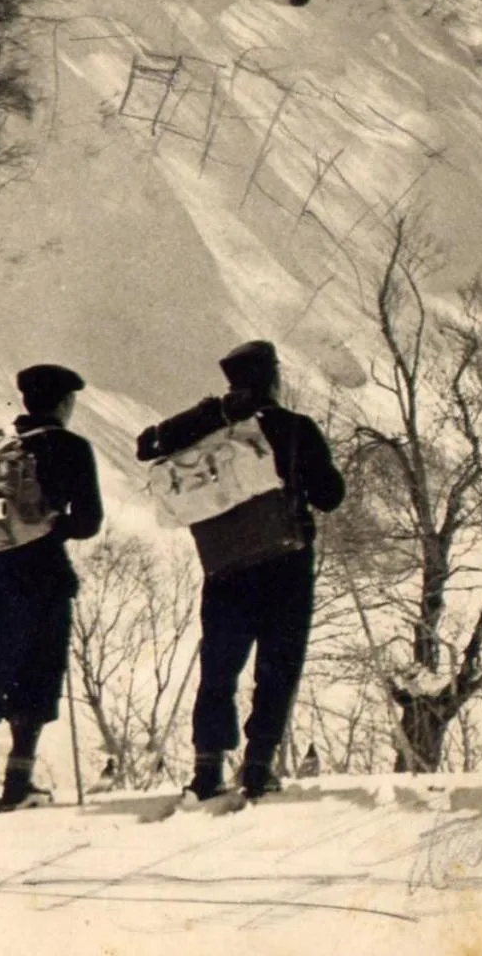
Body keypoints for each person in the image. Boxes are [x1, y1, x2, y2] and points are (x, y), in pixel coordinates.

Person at [136, 340, 345, 802]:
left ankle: (207, 769)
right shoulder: (292, 426)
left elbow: (146, 445)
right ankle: (258, 765)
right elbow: (330, 495)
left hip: (224, 565)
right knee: (277, 666)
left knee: (219, 667)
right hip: (286, 561)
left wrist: (210, 414)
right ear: (274, 378)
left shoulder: (208, 429)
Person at [0, 363, 104, 814]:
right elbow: (88, 522)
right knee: (37, 675)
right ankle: (18, 782)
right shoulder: (71, 448)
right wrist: (51, 525)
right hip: (43, 577)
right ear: (64, 403)